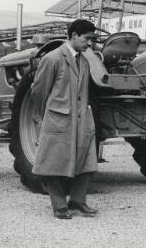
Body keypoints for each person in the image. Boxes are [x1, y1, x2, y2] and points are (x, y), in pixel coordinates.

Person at [31, 19, 98, 219]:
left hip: (82, 119)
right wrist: (43, 115)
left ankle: (78, 201)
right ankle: (59, 206)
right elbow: (39, 91)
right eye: (87, 39)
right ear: (74, 35)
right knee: (53, 163)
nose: (90, 43)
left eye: (92, 40)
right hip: (58, 119)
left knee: (87, 161)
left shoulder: (84, 61)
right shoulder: (52, 58)